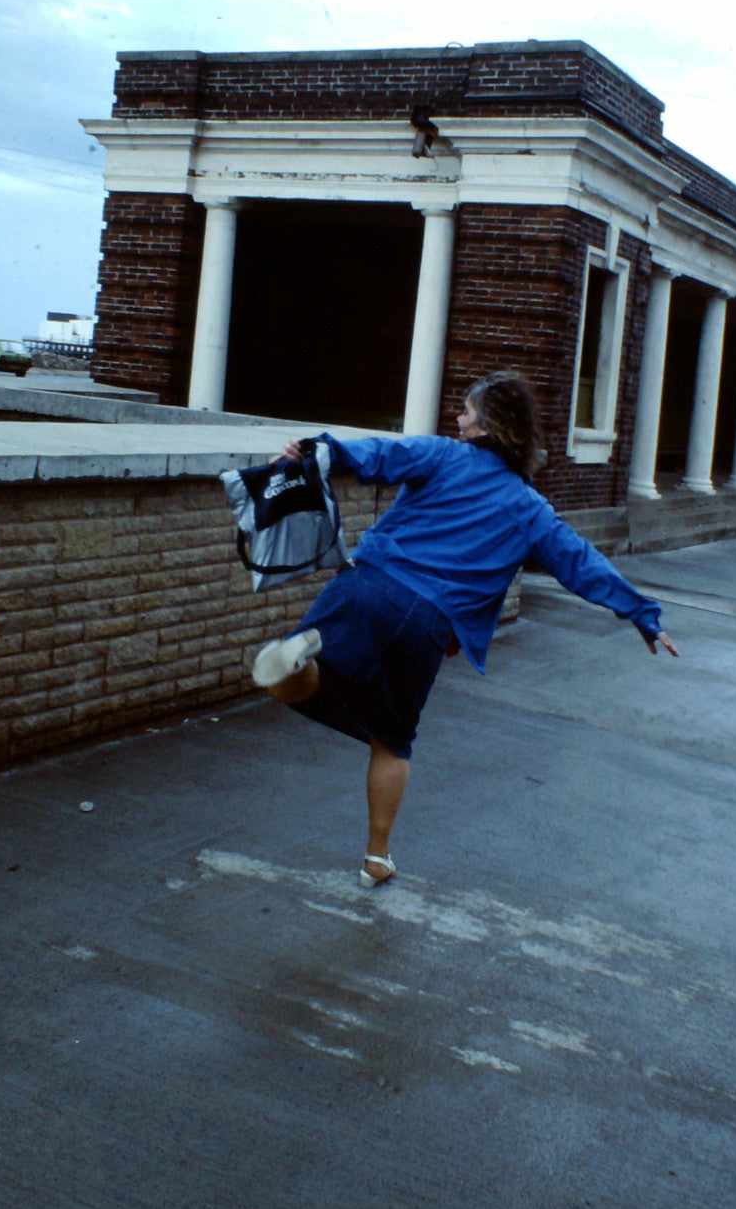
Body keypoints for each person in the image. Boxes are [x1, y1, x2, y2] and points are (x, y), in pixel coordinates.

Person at [251, 370, 678, 889]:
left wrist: (320, 450)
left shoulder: (442, 456)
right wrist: (641, 613)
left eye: (466, 411)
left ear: (486, 426)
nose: (458, 418)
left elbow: (379, 456)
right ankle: (375, 859)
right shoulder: (530, 510)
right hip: (427, 623)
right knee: (392, 741)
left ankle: (294, 662)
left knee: (309, 683)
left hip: (365, 585)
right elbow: (579, 562)